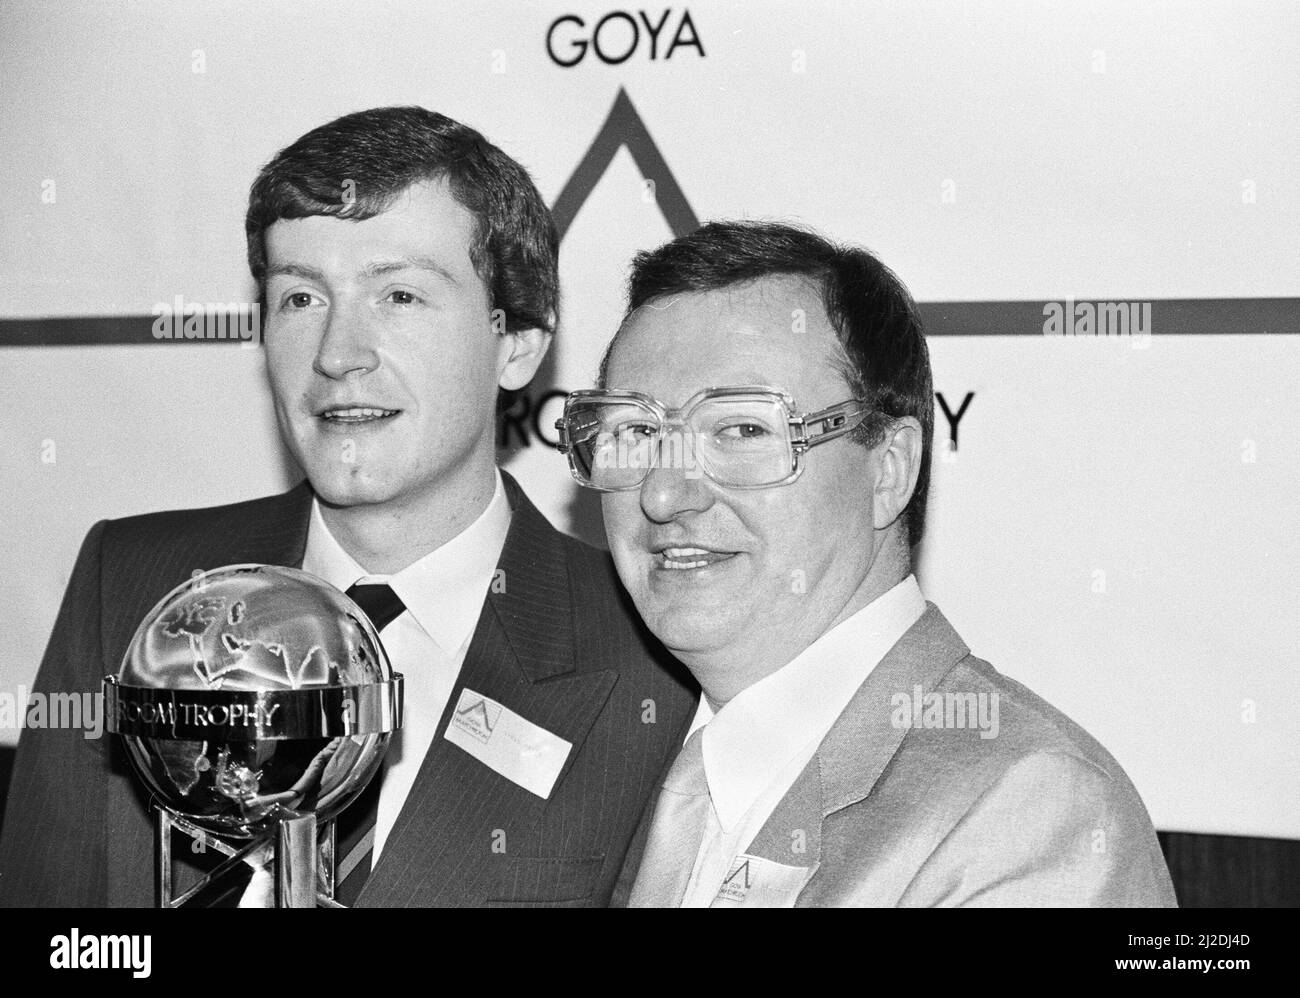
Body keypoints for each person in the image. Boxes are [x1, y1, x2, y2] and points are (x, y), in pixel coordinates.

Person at [0, 106, 695, 907]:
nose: (337, 355)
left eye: (398, 296)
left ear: (520, 344)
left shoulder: (653, 650)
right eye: (300, 298)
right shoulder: (131, 589)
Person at [556, 220, 1177, 907]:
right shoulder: (625, 771)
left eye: (741, 430)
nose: (665, 492)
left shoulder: (1031, 813)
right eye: (637, 432)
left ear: (888, 470)